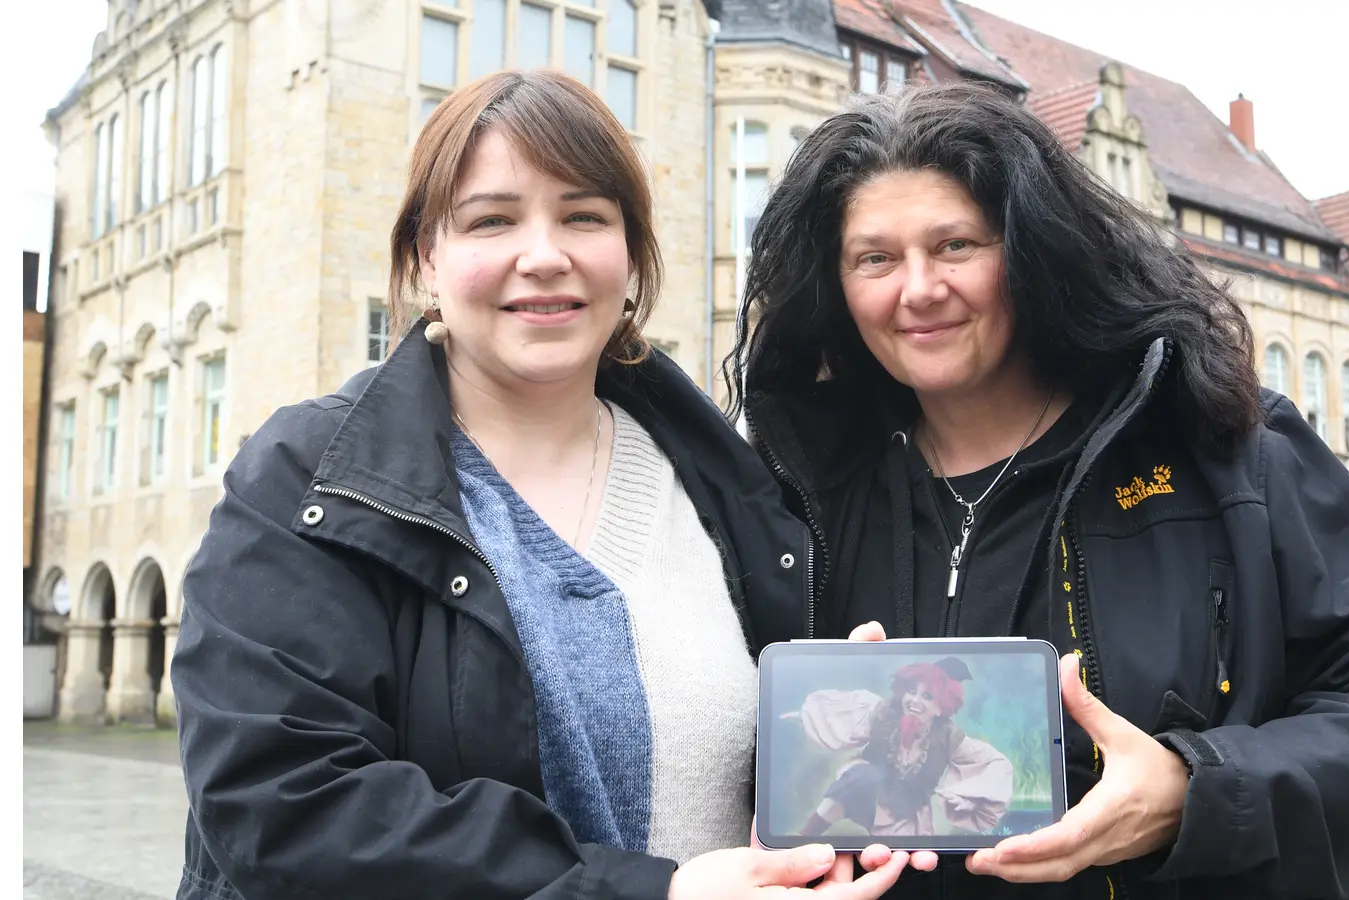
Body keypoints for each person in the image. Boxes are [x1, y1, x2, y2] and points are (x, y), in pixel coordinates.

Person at [170, 69, 911, 900]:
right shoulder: (309, 480)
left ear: (629, 254)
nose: (546, 256)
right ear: (427, 257)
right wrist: (653, 893)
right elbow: (287, 807)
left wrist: (828, 740)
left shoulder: (733, 485)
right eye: (492, 220)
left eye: (584, 216)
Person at [727, 81, 1349, 900]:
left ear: (1031, 252)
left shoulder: (1227, 449)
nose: (919, 288)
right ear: (834, 283)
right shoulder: (802, 497)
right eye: (875, 258)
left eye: (956, 245)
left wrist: (1195, 792)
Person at [787, 658, 1013, 837]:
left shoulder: (950, 738)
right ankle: (804, 837)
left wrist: (966, 797)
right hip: (864, 792)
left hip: (904, 815)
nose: (915, 701)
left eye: (927, 696)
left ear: (940, 708)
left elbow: (992, 766)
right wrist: (805, 717)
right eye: (912, 691)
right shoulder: (882, 713)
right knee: (862, 777)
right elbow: (837, 718)